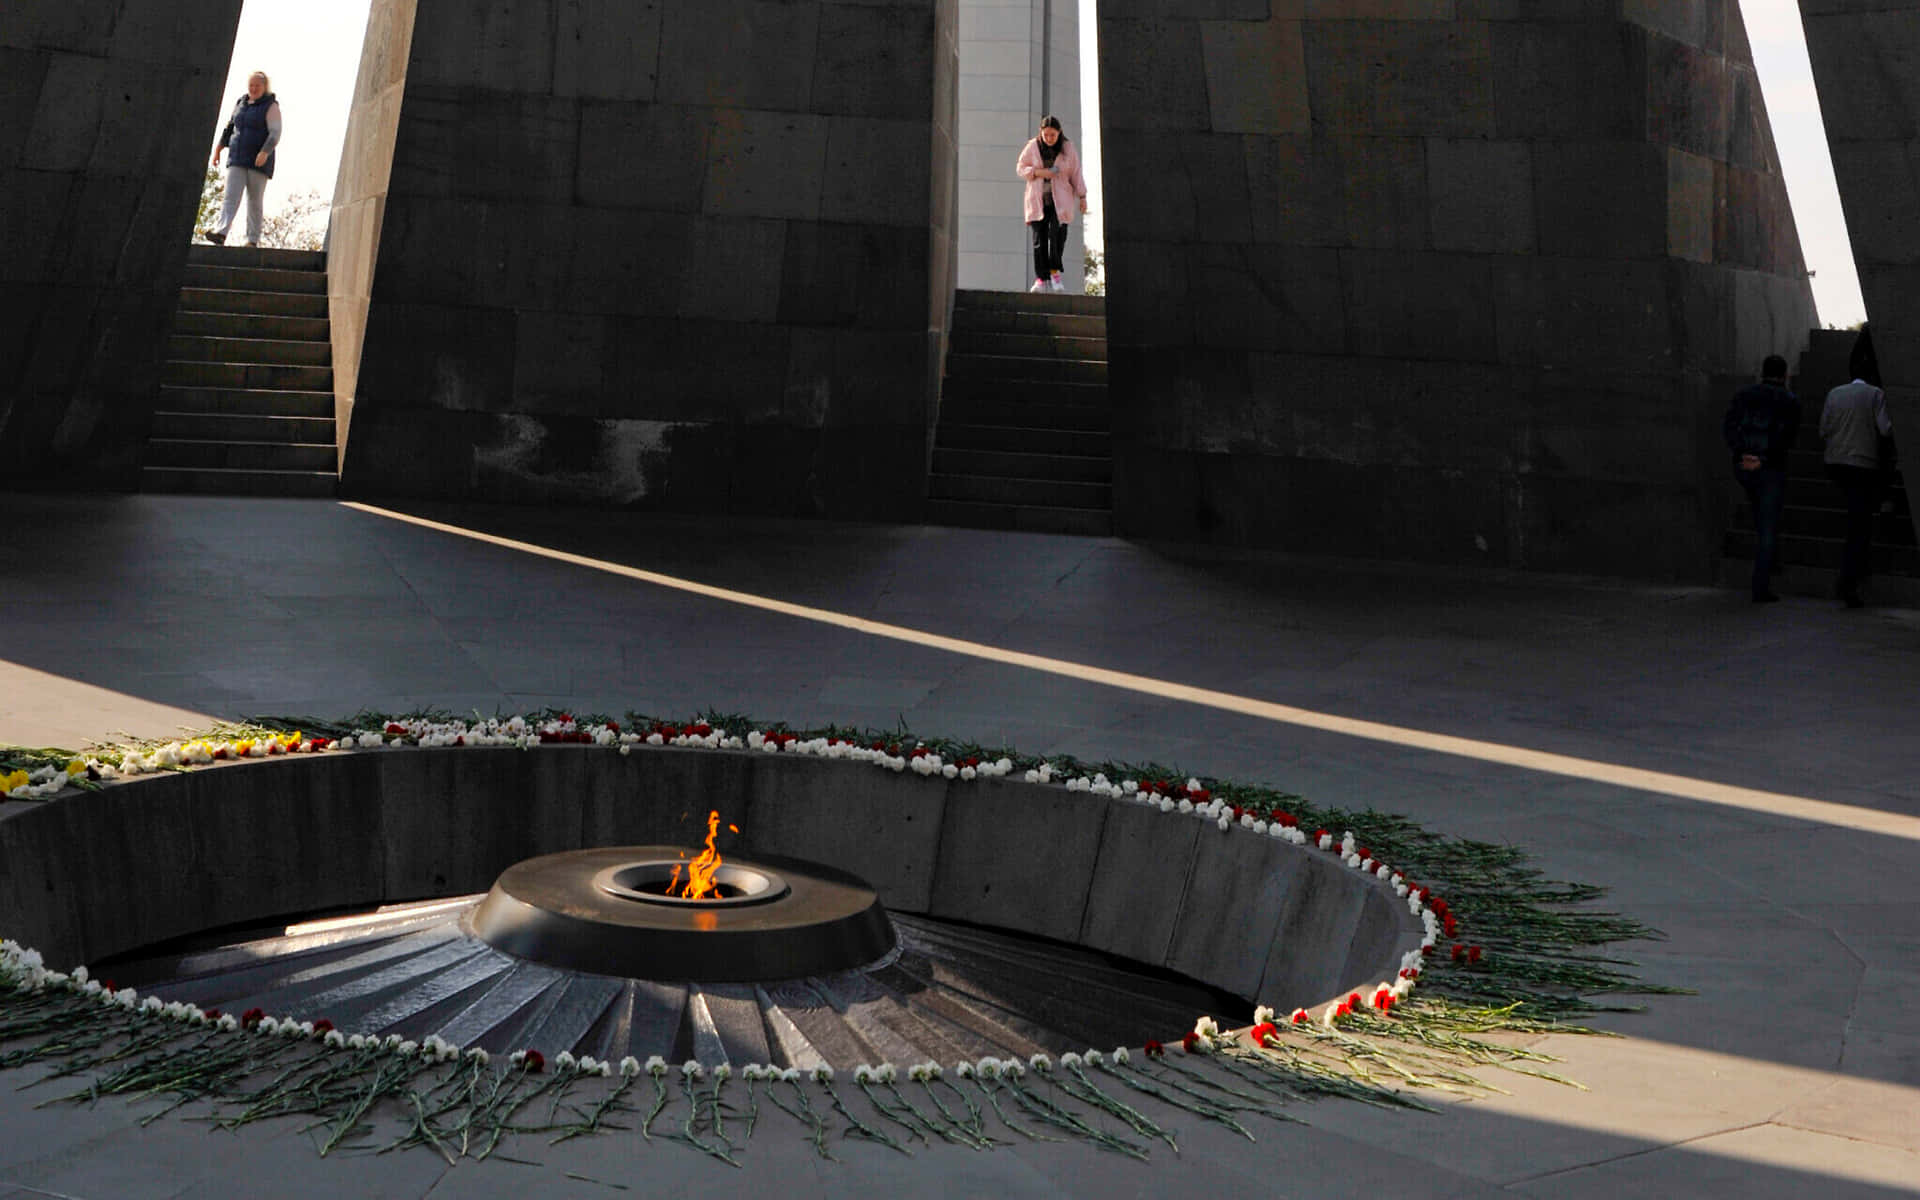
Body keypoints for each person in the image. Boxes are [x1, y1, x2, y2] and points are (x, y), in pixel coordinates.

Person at [1723, 355, 1800, 603]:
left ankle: (1770, 563)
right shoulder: (1789, 401)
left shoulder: (1744, 395)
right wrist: (1764, 459)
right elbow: (1787, 438)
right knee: (1768, 525)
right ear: (1784, 374)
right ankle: (1762, 582)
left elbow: (1729, 426)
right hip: (1770, 466)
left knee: (1760, 516)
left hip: (1744, 464)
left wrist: (1742, 454)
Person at [1819, 368, 1894, 608]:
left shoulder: (1834, 393)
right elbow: (1886, 428)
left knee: (1855, 520)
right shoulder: (1875, 394)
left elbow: (1823, 429)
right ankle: (1849, 581)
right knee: (1859, 524)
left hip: (1834, 462)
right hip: (1862, 463)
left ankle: (1853, 573)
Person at [207, 71, 282, 247]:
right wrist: (219, 149)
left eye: (257, 86)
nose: (254, 89)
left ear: (264, 87)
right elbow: (230, 126)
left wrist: (265, 152)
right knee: (230, 196)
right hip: (237, 157)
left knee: (254, 200)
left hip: (258, 161)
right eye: (251, 85)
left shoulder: (271, 106)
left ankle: (252, 239)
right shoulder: (241, 103)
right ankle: (221, 232)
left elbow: (275, 132)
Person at [1015, 116, 1088, 294]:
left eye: (1053, 135)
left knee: (1056, 236)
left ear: (1059, 133)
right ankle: (1041, 278)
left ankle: (1054, 273)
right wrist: (1039, 172)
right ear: (1041, 133)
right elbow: (1020, 168)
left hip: (1060, 202)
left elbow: (1076, 173)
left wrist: (1082, 196)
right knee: (1039, 240)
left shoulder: (1067, 148)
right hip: (1037, 200)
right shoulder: (1032, 146)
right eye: (1046, 135)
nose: (1049, 138)